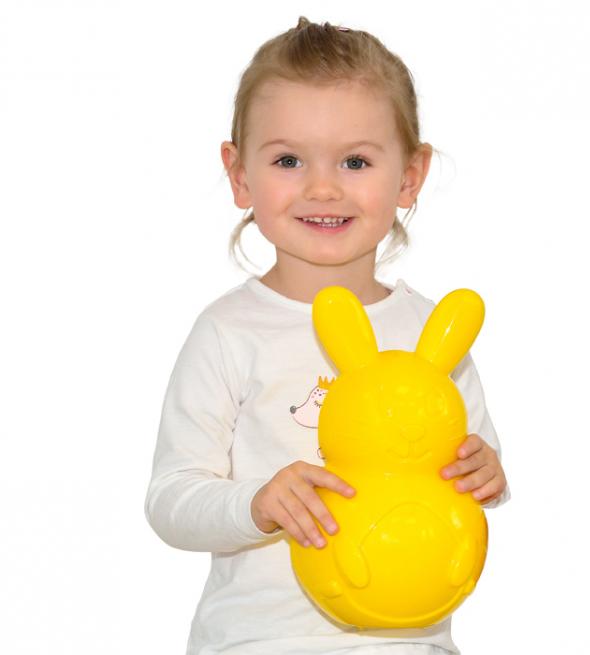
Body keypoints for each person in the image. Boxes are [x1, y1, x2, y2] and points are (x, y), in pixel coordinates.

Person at [144, 16, 510, 655]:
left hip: (410, 639)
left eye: (355, 161)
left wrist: (488, 473)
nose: (323, 187)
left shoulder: (432, 334)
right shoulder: (229, 332)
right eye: (288, 160)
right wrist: (256, 504)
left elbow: (477, 465)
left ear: (410, 176)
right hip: (261, 641)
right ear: (239, 174)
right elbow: (172, 500)